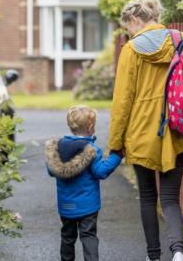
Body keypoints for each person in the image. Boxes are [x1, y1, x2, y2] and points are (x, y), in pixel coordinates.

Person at [108, 0, 183, 261]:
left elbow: (122, 101)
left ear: (133, 20)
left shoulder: (131, 50)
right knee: (171, 198)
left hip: (141, 133)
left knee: (148, 198)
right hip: (176, 129)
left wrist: (115, 143)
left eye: (127, 27)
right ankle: (178, 253)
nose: (127, 33)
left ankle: (154, 257)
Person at [45, 105, 123, 261]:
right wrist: (116, 157)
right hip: (88, 207)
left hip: (66, 206)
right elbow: (100, 172)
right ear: (91, 127)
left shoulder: (58, 149)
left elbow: (51, 171)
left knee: (67, 237)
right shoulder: (91, 150)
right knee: (88, 236)